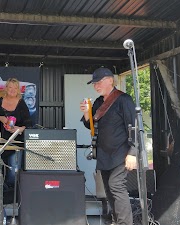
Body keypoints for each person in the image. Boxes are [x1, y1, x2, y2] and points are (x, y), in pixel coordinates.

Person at [80, 67, 137, 225]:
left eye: (99, 82)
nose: (96, 86)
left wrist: (132, 152)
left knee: (116, 186)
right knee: (109, 189)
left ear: (110, 80)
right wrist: (86, 114)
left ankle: (125, 223)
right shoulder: (98, 102)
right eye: (94, 84)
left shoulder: (124, 100)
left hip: (120, 153)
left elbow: (134, 127)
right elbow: (90, 125)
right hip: (104, 154)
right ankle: (116, 221)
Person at [0, 78, 32, 191]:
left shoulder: (21, 104)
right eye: (10, 87)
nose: (12, 90)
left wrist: (18, 129)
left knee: (13, 173)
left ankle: (9, 196)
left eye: (15, 88)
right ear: (6, 88)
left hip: (14, 141)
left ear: (18, 90)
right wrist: (1, 118)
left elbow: (28, 124)